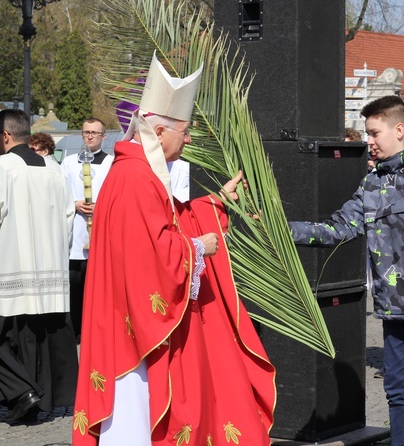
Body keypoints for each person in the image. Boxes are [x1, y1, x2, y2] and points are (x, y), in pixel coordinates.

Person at [72, 53, 276, 445]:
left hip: (127, 323)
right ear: (160, 131)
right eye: (184, 131)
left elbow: (165, 224)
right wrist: (198, 246)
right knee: (137, 423)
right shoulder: (135, 178)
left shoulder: (137, 172)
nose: (189, 139)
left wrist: (215, 201)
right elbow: (148, 257)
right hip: (133, 339)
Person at [289, 96, 404, 445]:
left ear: (399, 129)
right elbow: (336, 229)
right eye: (366, 133)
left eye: (374, 133)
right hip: (393, 307)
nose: (369, 141)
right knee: (396, 389)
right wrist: (282, 229)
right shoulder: (372, 184)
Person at [0, 109, 78, 424]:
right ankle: (32, 398)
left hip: (10, 266)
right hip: (48, 270)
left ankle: (23, 393)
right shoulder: (54, 169)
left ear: (4, 136)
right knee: (35, 335)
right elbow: (68, 218)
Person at [60, 118, 114, 340]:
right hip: (76, 228)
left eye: (95, 132)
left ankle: (98, 331)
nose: (90, 136)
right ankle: (75, 331)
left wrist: (100, 207)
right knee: (75, 285)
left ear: (104, 136)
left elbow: (115, 193)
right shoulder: (69, 162)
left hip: (101, 228)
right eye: (86, 132)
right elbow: (60, 191)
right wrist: (73, 204)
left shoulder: (113, 162)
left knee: (100, 286)